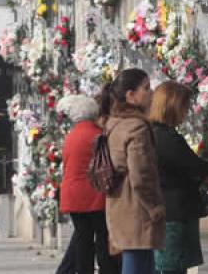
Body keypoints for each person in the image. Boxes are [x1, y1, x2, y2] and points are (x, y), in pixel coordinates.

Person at [103, 69, 164, 274]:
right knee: (137, 260)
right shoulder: (136, 127)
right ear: (130, 95)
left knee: (139, 259)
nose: (151, 93)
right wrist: (154, 205)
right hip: (136, 205)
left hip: (120, 201)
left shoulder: (115, 123)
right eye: (146, 88)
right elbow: (141, 173)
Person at [148, 81, 208, 274]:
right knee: (171, 267)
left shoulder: (151, 133)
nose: (186, 113)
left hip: (164, 212)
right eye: (184, 107)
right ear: (173, 107)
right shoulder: (167, 138)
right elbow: (197, 168)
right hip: (173, 215)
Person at [58, 94, 120, 274]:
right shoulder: (98, 135)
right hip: (95, 194)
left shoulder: (71, 136)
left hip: (74, 196)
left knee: (83, 240)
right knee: (102, 239)